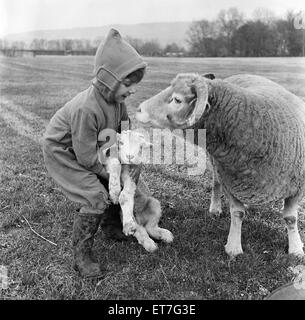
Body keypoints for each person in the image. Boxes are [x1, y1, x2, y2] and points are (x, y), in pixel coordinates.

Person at [42, 29, 148, 278]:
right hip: (64, 153)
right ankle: (82, 257)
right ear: (108, 79)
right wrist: (111, 174)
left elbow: (122, 134)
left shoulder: (118, 103)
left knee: (119, 177)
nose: (132, 90)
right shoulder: (85, 109)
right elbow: (87, 158)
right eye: (128, 83)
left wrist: (125, 163)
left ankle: (112, 225)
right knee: (95, 194)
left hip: (91, 149)